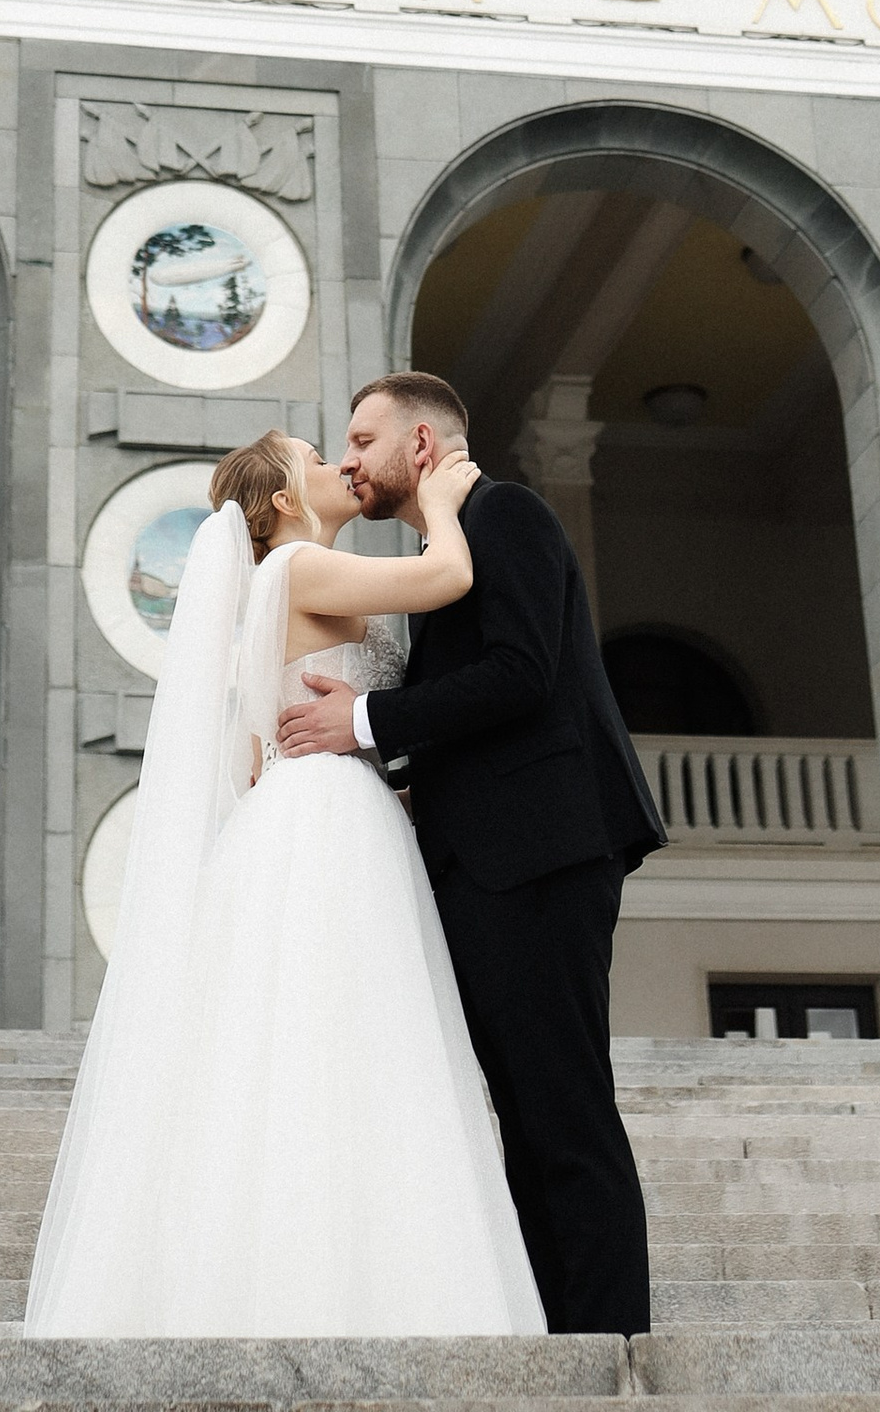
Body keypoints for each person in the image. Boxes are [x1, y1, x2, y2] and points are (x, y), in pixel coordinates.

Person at [21, 426, 544, 1338]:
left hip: (350, 809)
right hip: (325, 821)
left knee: (356, 1033)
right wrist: (445, 507)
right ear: (280, 502)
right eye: (314, 454)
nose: (339, 461)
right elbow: (446, 580)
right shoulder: (297, 569)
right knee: (334, 1033)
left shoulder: (305, 577)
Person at [275, 371, 664, 1338]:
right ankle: (559, 1335)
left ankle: (612, 1347)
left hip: (540, 850)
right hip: (490, 863)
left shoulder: (507, 516)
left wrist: (362, 720)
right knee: (525, 1117)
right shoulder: (438, 551)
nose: (350, 458)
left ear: (420, 445)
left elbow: (522, 675)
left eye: (362, 440)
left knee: (563, 1110)